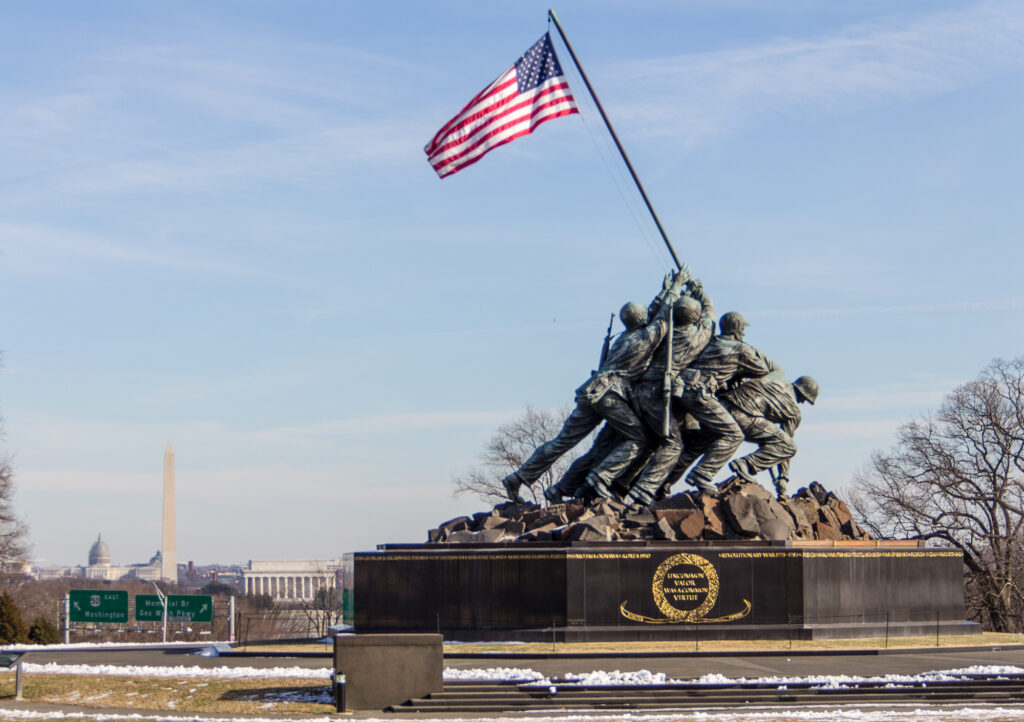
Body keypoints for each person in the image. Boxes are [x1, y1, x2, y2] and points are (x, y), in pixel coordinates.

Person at [500, 271, 689, 502]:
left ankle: (518, 477)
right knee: (639, 438)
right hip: (610, 396)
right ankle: (601, 477)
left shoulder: (624, 337)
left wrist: (663, 291)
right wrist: (676, 287)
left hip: (590, 392)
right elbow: (661, 318)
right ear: (641, 320)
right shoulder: (645, 338)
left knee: (562, 442)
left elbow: (653, 313)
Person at [620, 281, 715, 506]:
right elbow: (710, 313)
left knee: (649, 441)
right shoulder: (697, 336)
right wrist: (699, 290)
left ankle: (621, 482)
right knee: (673, 444)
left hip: (638, 392)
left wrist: (670, 293)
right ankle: (644, 490)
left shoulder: (660, 333)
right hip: (655, 394)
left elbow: (654, 316)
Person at [675, 311, 775, 496]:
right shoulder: (740, 348)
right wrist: (746, 355)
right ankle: (702, 474)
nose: (743, 333)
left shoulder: (709, 341)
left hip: (682, 390)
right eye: (742, 329)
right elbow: (761, 369)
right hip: (701, 395)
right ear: (736, 329)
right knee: (734, 435)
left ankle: (662, 482)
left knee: (696, 442)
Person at [723, 373, 819, 497]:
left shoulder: (775, 378)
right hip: (744, 416)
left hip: (723, 404)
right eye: (805, 399)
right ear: (803, 394)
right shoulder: (793, 410)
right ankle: (746, 464)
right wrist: (783, 478)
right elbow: (785, 443)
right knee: (789, 447)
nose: (803, 402)